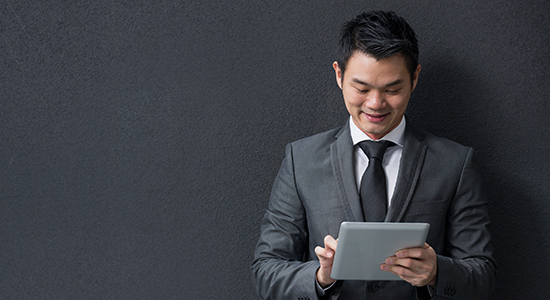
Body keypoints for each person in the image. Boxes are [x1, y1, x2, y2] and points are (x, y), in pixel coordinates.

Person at [251, 10, 496, 300]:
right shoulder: (300, 160)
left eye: (392, 89)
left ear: (415, 78)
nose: (376, 104)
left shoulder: (454, 163)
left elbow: (483, 275)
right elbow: (265, 272)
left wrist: (436, 273)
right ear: (339, 75)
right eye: (361, 88)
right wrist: (321, 277)